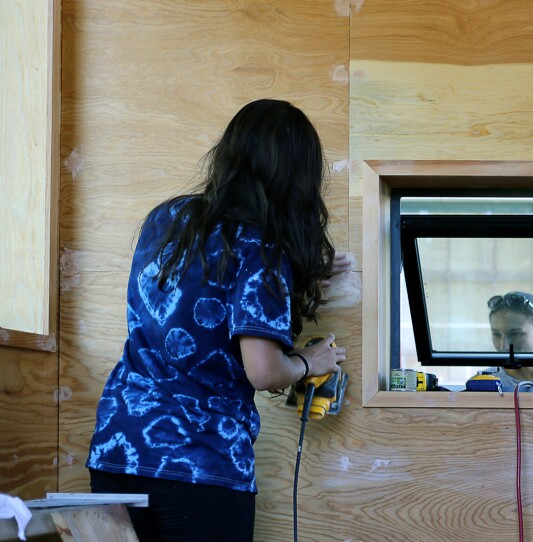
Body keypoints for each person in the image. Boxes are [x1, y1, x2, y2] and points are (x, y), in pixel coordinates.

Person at [86, 99, 348, 542]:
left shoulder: (167, 220)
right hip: (200, 464)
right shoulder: (262, 250)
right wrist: (307, 362)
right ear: (297, 177)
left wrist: (300, 272)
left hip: (117, 450)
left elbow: (196, 295)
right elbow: (263, 371)